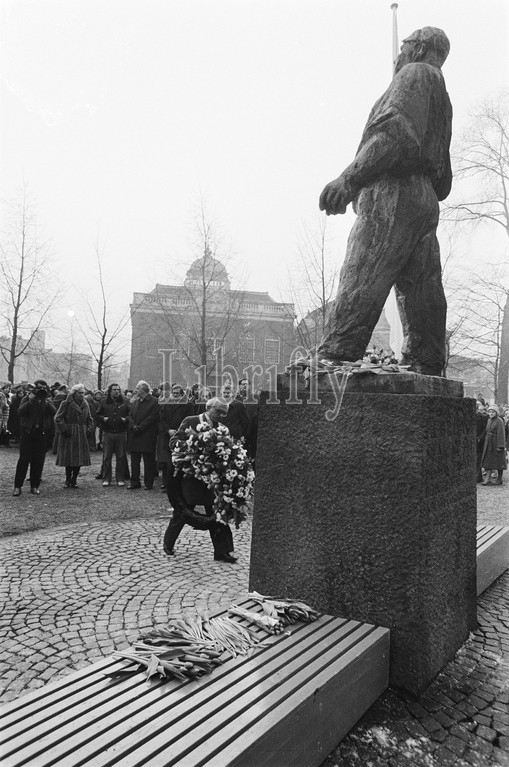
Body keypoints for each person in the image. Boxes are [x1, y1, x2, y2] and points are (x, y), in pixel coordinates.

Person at [318, 27, 452, 376]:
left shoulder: (415, 74)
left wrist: (350, 178)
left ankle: (336, 353)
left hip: (393, 192)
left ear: (418, 48)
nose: (398, 55)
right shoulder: (441, 91)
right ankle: (427, 359)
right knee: (422, 285)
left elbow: (395, 133)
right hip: (424, 196)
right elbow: (444, 178)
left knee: (365, 267)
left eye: (404, 46)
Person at [163, 397, 237, 563]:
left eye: (224, 413)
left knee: (218, 513)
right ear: (208, 407)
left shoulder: (223, 429)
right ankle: (168, 543)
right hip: (191, 476)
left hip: (212, 478)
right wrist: (195, 444)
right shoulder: (191, 421)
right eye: (218, 411)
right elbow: (173, 442)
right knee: (184, 510)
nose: (221, 416)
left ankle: (222, 551)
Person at [12, 381, 56, 496]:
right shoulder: (27, 398)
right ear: (34, 389)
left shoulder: (47, 400)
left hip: (41, 433)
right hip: (27, 432)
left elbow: (53, 412)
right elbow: (20, 412)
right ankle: (17, 486)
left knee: (38, 461)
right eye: (39, 388)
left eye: (44, 388)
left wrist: (46, 402)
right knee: (23, 460)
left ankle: (34, 486)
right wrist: (30, 401)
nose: (41, 391)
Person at [55, 383, 94, 488]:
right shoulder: (66, 403)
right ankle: (68, 479)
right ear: (74, 393)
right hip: (70, 432)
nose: (82, 395)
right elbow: (57, 418)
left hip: (81, 433)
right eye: (80, 393)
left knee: (79, 457)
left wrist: (89, 429)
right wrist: (63, 430)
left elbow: (89, 418)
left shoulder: (85, 404)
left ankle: (74, 479)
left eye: (83, 393)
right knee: (69, 457)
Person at [156, 382, 189, 491]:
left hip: (181, 436)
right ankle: (166, 482)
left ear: (181, 394)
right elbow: (161, 419)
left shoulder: (187, 405)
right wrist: (168, 430)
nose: (175, 395)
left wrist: (179, 431)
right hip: (168, 435)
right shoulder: (165, 404)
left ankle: (177, 484)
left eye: (177, 393)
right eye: (173, 393)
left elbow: (188, 419)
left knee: (180, 460)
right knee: (167, 461)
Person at [95, 382, 130, 487]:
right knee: (107, 457)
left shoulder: (125, 402)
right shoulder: (103, 402)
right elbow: (97, 415)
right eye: (114, 390)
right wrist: (103, 418)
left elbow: (131, 414)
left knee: (121, 457)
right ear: (110, 391)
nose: (116, 391)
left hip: (121, 432)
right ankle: (106, 478)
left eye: (118, 390)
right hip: (108, 432)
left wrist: (126, 419)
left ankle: (120, 478)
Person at [127, 380, 159, 490]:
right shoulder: (135, 402)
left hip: (147, 434)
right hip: (135, 434)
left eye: (137, 388)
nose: (135, 390)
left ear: (144, 390)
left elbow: (153, 417)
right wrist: (133, 426)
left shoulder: (154, 401)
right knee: (134, 461)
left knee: (148, 461)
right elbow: (129, 416)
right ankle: (134, 482)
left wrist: (140, 427)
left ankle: (148, 483)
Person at [481, 405, 507, 486]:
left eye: (493, 412)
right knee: (488, 461)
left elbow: (501, 433)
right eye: (490, 412)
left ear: (496, 413)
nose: (491, 413)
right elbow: (487, 431)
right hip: (489, 443)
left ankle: (499, 479)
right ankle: (487, 479)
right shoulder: (489, 420)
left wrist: (500, 446)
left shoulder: (499, 421)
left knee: (499, 461)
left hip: (496, 443)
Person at [476, 402, 489, 484]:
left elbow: (486, 429)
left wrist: (480, 437)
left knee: (478, 459)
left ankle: (478, 477)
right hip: (473, 441)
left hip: (480, 441)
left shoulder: (483, 417)